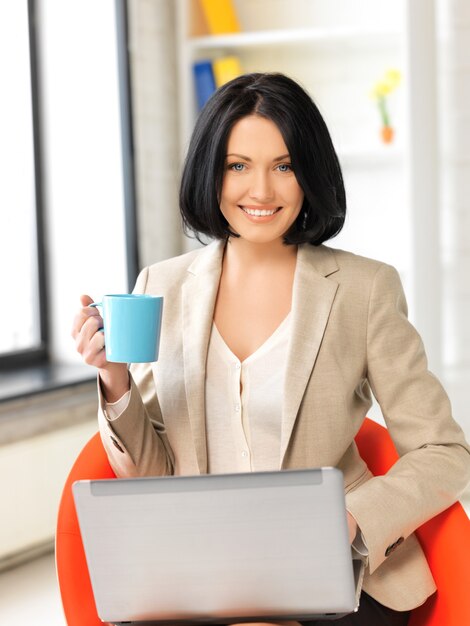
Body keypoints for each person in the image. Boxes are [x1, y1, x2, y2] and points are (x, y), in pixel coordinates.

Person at [72, 73, 470, 626]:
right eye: (238, 166)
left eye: (283, 166)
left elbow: (445, 452)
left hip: (338, 574)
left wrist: (350, 519)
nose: (261, 191)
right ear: (210, 173)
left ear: (309, 174)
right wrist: (115, 378)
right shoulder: (161, 286)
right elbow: (152, 479)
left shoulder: (365, 288)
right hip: (200, 573)